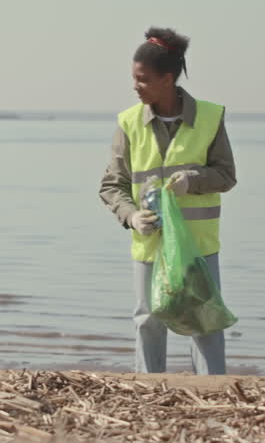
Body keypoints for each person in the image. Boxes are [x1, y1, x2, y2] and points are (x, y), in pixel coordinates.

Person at [100, 27, 237, 374]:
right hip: (149, 243)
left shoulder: (209, 118)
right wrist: (131, 216)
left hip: (197, 246)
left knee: (204, 319)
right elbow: (111, 185)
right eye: (134, 78)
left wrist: (192, 182)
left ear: (168, 78)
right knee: (148, 320)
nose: (135, 86)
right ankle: (148, 392)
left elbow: (226, 175)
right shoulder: (129, 123)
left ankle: (213, 390)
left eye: (142, 79)